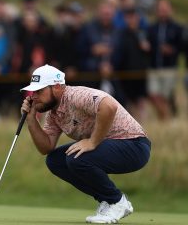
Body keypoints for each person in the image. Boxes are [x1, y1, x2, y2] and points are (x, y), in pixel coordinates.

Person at [20, 64, 151, 224]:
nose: (34, 96)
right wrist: (31, 119)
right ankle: (107, 200)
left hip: (134, 145)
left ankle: (117, 202)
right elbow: (46, 147)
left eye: (39, 91)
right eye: (34, 92)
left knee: (77, 158)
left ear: (57, 87)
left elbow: (108, 106)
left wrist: (92, 141)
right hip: (114, 146)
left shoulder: (76, 95)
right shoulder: (54, 114)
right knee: (55, 161)